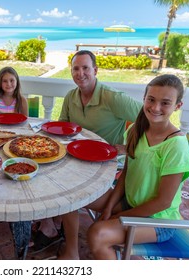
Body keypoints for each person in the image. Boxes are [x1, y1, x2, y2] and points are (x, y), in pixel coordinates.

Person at [66, 74, 189, 259]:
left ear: (177, 106)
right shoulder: (137, 130)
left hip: (158, 220)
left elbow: (163, 202)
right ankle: (71, 254)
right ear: (144, 99)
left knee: (97, 234)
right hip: (130, 201)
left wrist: (122, 215)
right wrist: (110, 207)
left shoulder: (176, 145)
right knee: (71, 198)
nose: (156, 107)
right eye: (151, 99)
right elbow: (127, 173)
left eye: (165, 103)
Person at [30, 50, 143, 253]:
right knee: (43, 171)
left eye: (85, 68)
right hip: (76, 157)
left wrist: (128, 148)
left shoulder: (112, 98)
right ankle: (52, 221)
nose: (80, 73)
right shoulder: (71, 96)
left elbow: (149, 117)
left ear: (95, 70)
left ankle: (62, 239)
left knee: (67, 190)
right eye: (75, 68)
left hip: (105, 163)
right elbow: (60, 126)